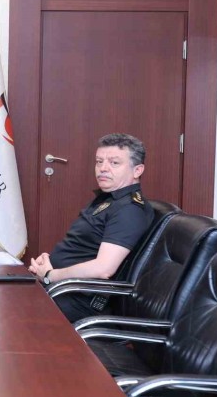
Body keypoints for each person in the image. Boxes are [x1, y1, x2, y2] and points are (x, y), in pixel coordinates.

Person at [28, 133, 155, 322]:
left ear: (137, 170)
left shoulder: (129, 210)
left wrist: (50, 275)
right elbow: (80, 247)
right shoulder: (108, 199)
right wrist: (48, 263)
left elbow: (103, 268)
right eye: (99, 161)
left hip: (76, 299)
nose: (103, 168)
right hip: (60, 287)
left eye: (114, 163)